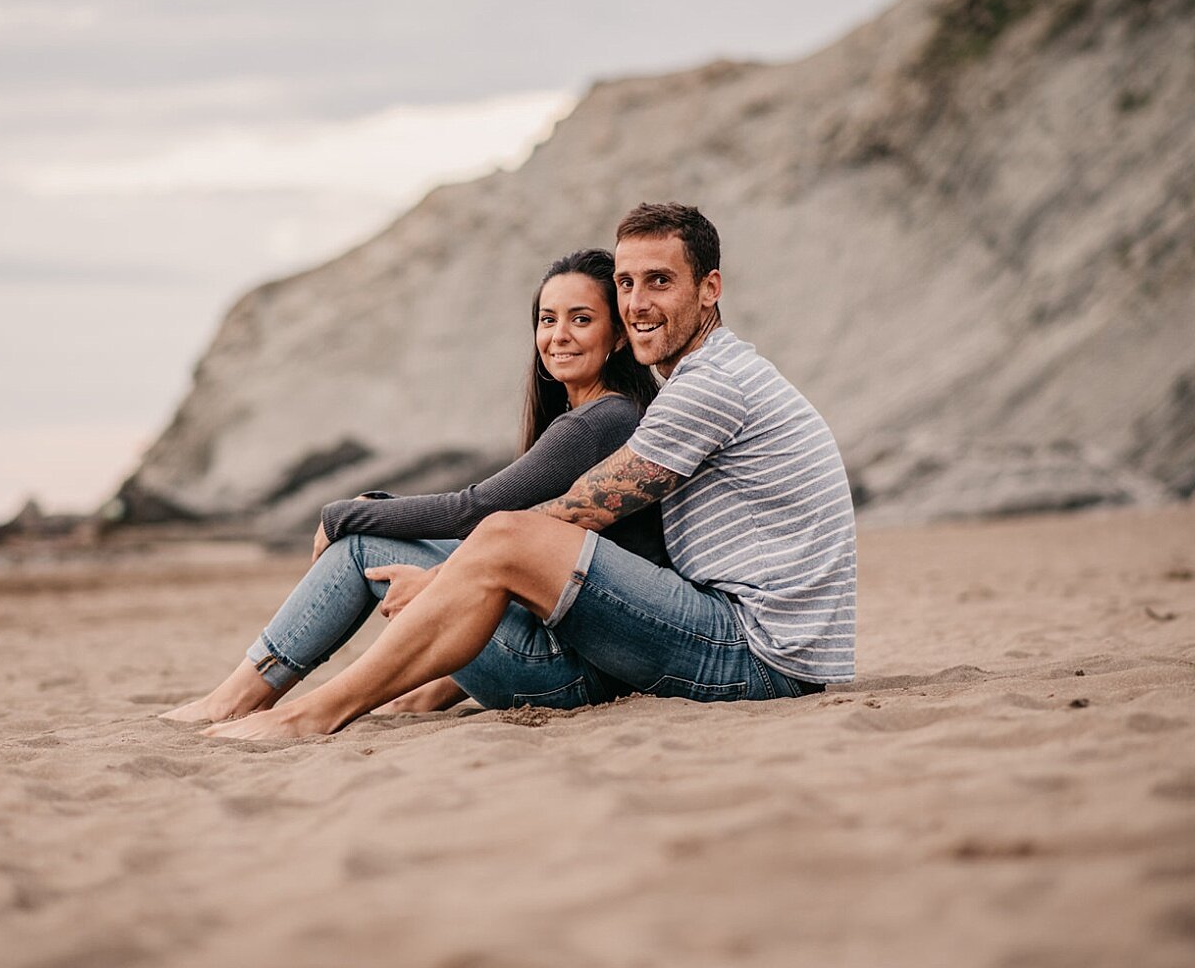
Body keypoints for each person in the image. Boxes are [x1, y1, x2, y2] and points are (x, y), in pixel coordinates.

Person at [205, 202, 857, 741]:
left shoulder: (706, 386)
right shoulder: (710, 377)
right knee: (501, 540)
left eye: (659, 280)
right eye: (626, 282)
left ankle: (313, 711)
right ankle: (297, 698)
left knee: (509, 535)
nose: (637, 301)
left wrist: (444, 580)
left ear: (709, 288)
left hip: (757, 652)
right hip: (769, 643)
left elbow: (569, 514)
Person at [160, 248, 665, 724]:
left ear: (618, 336)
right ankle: (413, 690)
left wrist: (345, 514)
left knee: (361, 546)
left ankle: (235, 698)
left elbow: (474, 511)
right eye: (547, 319)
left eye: (581, 319)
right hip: (584, 664)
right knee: (412, 544)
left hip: (562, 676)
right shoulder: (605, 416)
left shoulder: (598, 422)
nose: (559, 335)